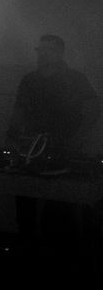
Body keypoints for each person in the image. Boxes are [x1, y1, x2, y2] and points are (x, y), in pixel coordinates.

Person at [7, 34, 100, 243]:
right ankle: (27, 244)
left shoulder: (75, 79)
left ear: (59, 53)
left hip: (62, 148)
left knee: (59, 207)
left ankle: (56, 252)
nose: (41, 53)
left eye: (47, 49)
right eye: (40, 49)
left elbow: (93, 108)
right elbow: (19, 110)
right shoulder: (29, 80)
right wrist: (11, 137)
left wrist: (77, 137)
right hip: (30, 147)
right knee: (25, 201)